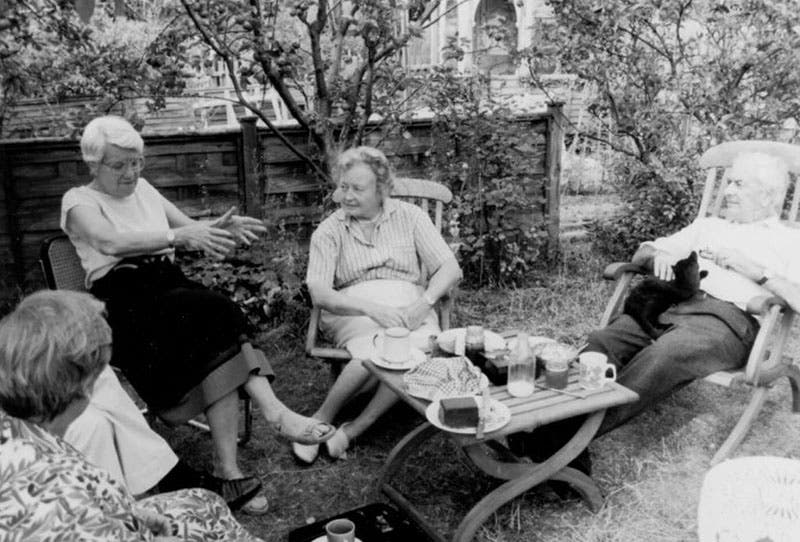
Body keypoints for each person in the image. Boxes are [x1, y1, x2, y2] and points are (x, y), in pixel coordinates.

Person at [60, 115, 334, 511]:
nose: (131, 172)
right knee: (215, 310)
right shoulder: (78, 200)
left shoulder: (146, 189)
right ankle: (274, 413)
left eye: (136, 162)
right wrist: (179, 236)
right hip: (122, 301)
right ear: (93, 164)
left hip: (169, 289)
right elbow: (110, 241)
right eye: (119, 165)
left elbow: (189, 228)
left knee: (215, 341)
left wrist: (219, 227)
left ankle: (229, 472)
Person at [509, 151, 800, 476]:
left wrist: (759, 273)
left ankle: (555, 438)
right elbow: (643, 251)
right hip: (671, 307)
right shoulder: (709, 226)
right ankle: (564, 439)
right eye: (728, 182)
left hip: (727, 323)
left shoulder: (789, 240)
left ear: (767, 195)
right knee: (603, 342)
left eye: (738, 184)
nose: (728, 191)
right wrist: (658, 254)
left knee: (663, 356)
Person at [0, 289, 263, 541]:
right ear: (81, 390)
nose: (101, 379)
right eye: (98, 373)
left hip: (112, 520)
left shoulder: (20, 430)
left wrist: (132, 514)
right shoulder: (58, 491)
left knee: (206, 503)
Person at [292, 146, 462, 464]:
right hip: (355, 309)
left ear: (381, 189)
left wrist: (423, 303)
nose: (347, 196)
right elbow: (320, 293)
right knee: (381, 348)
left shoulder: (410, 217)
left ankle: (353, 429)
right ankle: (319, 419)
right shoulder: (329, 231)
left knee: (417, 350)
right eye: (344, 187)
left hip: (409, 304)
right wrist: (371, 309)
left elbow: (450, 268)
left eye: (358, 188)